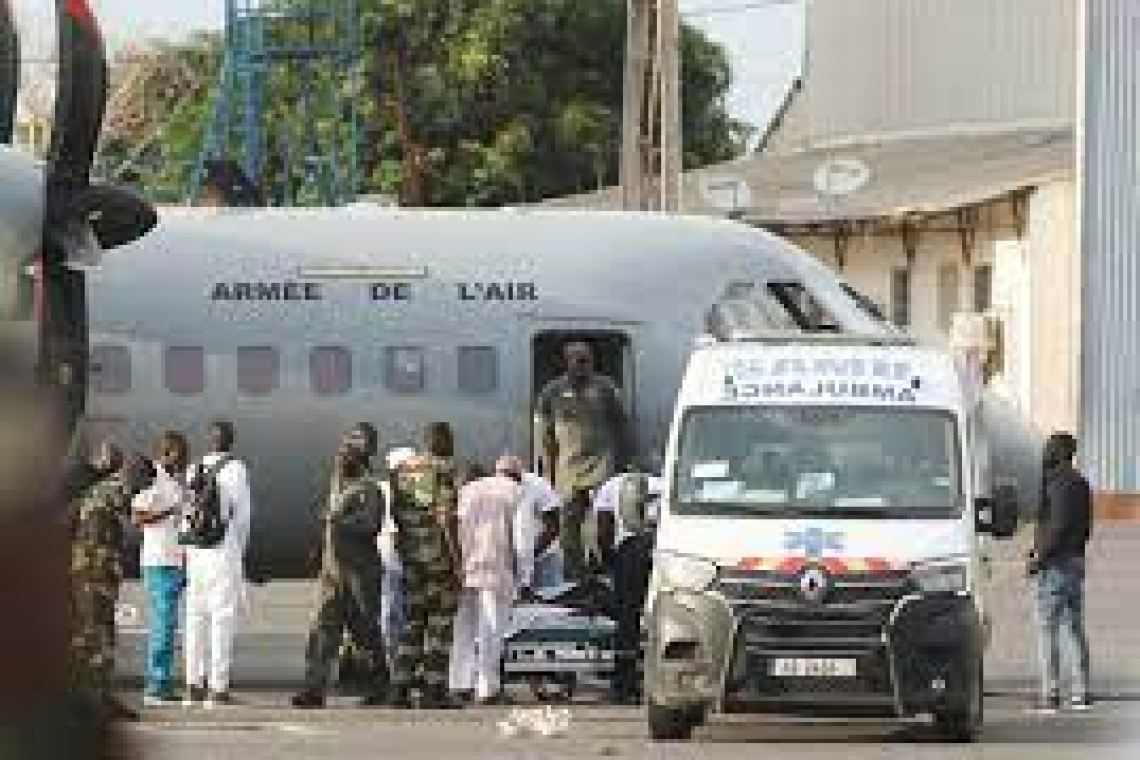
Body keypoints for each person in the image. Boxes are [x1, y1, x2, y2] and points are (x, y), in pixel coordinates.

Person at [293, 444, 389, 708]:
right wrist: (319, 549)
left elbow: (372, 524)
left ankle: (380, 686)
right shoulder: (338, 489)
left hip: (360, 575)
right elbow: (329, 526)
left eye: (346, 459)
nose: (340, 463)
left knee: (366, 633)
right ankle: (313, 690)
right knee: (322, 632)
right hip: (333, 575)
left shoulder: (369, 490)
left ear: (359, 463)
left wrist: (338, 522)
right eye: (339, 459)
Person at [535, 340, 629, 582]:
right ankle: (573, 577)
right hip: (567, 468)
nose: (582, 365)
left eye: (586, 360)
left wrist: (623, 465)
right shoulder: (552, 391)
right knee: (567, 528)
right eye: (576, 360)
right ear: (566, 362)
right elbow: (544, 436)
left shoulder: (606, 388)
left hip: (601, 464)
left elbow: (621, 426)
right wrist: (548, 473)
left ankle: (602, 570)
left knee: (602, 524)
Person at [389, 422, 462, 708]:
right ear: (442, 441)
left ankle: (399, 688)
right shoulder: (444, 469)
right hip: (438, 559)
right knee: (440, 626)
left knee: (412, 623)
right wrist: (457, 561)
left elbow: (396, 514)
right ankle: (434, 690)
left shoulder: (403, 471)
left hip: (411, 558)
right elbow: (446, 517)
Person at [183, 420, 252, 709]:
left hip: (196, 552)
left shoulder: (193, 468)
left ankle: (192, 684)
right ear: (231, 441)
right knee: (222, 618)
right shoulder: (236, 469)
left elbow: (186, 511)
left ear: (210, 441)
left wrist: (187, 549)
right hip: (223, 550)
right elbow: (243, 516)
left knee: (194, 617)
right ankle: (218, 687)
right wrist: (239, 549)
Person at [68, 440, 136, 720]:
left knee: (87, 634)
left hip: (86, 571)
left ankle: (86, 695)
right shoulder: (109, 490)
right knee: (100, 633)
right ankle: (96, 699)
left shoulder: (87, 493)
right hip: (97, 574)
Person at [449, 458, 524, 704]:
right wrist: (523, 574)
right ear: (518, 476)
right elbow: (522, 541)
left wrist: (457, 563)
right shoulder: (516, 493)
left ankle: (459, 683)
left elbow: (453, 524)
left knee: (464, 627)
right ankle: (487, 688)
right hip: (496, 569)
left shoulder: (467, 490)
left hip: (467, 567)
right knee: (491, 628)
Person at [1028, 431, 1093, 714]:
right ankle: (1081, 692)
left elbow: (1057, 525)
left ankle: (1050, 694)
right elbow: (1086, 527)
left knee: (1047, 629)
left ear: (1055, 452)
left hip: (1055, 565)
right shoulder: (1081, 483)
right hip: (1075, 561)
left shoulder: (1057, 482)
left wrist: (1039, 557)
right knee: (1074, 628)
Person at [593, 463, 663, 704]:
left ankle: (624, 685)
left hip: (630, 552)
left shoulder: (610, 486)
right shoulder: (662, 483)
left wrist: (609, 560)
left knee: (627, 619)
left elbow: (603, 528)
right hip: (661, 550)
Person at [132, 430, 191, 706]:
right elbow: (139, 516)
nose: (184, 460)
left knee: (169, 625)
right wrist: (171, 511)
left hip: (174, 560)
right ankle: (157, 684)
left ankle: (162, 680)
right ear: (167, 453)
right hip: (159, 563)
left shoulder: (173, 482)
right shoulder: (152, 479)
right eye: (181, 455)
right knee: (163, 625)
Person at [493, 455, 563, 593]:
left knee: (550, 603)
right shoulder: (495, 490)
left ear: (520, 475)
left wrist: (530, 554)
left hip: (544, 559)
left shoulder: (539, 486)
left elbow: (554, 526)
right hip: (514, 562)